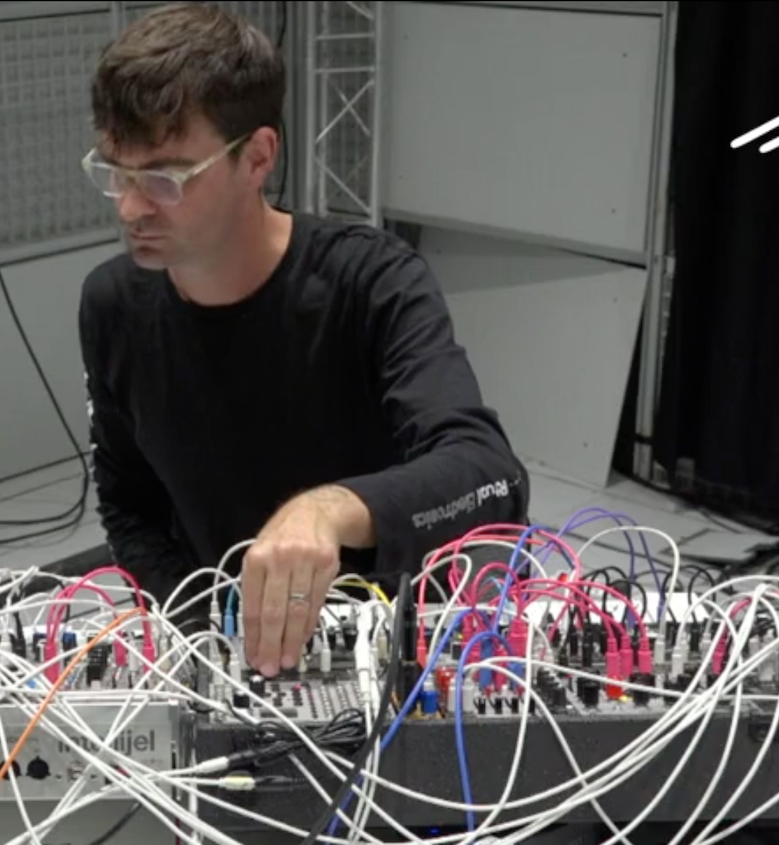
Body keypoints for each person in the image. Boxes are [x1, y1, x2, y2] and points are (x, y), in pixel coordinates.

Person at [77, 3, 530, 678]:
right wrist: (203, 636)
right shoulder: (112, 305)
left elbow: (489, 473)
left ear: (258, 156)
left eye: (165, 179)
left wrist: (332, 510)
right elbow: (129, 508)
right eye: (116, 171)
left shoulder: (372, 281)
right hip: (231, 647)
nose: (130, 207)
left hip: (388, 652)